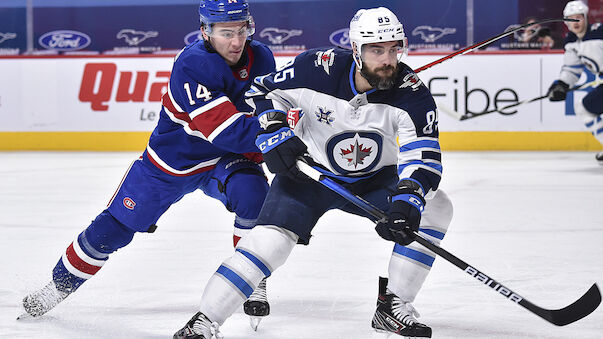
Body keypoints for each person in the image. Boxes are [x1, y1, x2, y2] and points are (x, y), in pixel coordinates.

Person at [174, 7, 453, 339]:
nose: (388, 59)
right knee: (269, 243)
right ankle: (204, 321)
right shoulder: (316, 68)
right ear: (356, 50)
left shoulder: (413, 96)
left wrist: (409, 199)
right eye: (377, 50)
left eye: (394, 49)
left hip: (373, 180)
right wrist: (275, 129)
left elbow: (422, 157)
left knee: (436, 208)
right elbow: (263, 92)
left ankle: (394, 304)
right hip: (307, 176)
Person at [19, 0, 275, 324]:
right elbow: (227, 130)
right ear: (205, 32)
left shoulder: (261, 58)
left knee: (255, 197)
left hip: (224, 159)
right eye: (226, 33)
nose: (237, 42)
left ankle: (252, 280)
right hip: (170, 163)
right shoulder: (193, 63)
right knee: (112, 231)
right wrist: (283, 134)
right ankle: (57, 287)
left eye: (241, 31)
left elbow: (267, 112)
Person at [547, 0, 603, 164]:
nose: (576, 22)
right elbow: (572, 69)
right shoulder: (571, 43)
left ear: (586, 18)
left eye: (578, 18)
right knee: (583, 108)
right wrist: (561, 85)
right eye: (571, 19)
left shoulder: (599, 31)